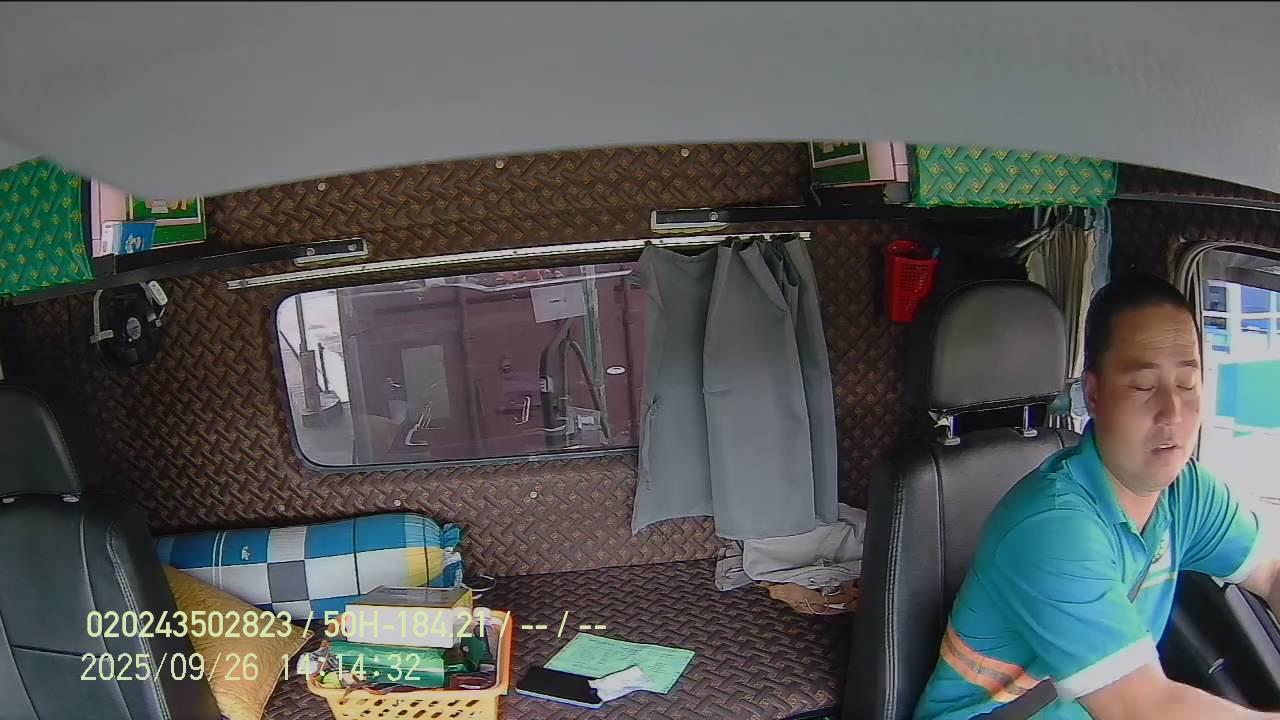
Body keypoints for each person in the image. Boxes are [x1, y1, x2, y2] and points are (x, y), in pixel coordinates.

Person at [914, 274, 1280, 720]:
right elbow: (1140, 708)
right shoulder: (1051, 526)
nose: (1172, 412)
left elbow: (1272, 572)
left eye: (1187, 383)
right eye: (1144, 387)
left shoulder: (1186, 492)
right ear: (1094, 394)